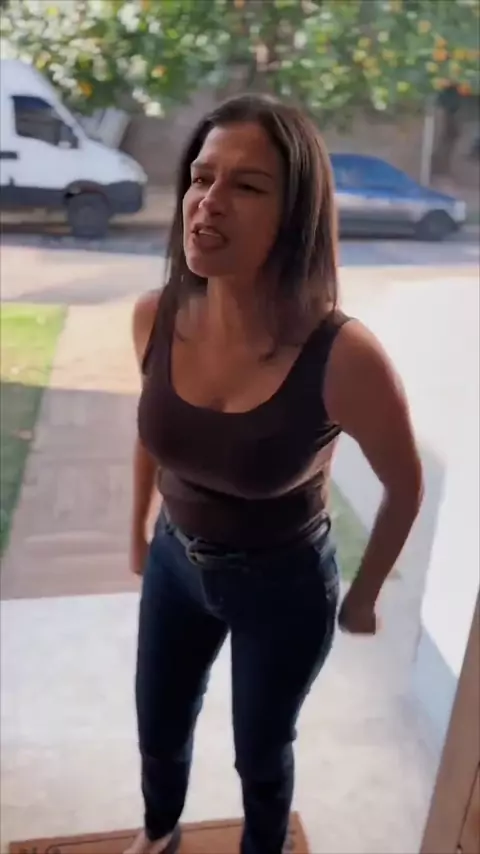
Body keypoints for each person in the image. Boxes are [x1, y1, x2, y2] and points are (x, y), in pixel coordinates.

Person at [125, 94, 423, 854]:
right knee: (158, 729)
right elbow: (153, 432)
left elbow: (404, 485)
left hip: (284, 584)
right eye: (201, 178)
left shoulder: (343, 356)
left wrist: (363, 596)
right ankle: (159, 834)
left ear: (295, 216)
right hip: (176, 563)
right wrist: (137, 533)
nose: (209, 201)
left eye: (248, 186)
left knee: (260, 754)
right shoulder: (155, 315)